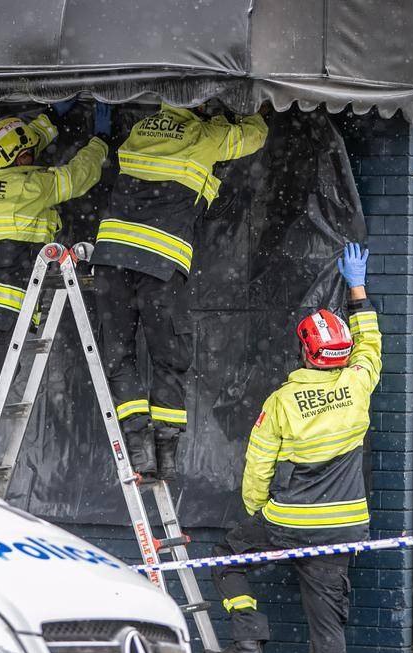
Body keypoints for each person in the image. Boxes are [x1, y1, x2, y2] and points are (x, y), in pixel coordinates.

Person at [203, 242, 381, 653]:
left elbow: (258, 466)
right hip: (343, 529)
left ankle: (248, 642)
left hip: (288, 522)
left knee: (226, 556)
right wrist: (357, 287)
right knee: (327, 625)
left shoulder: (282, 402)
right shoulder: (359, 386)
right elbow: (371, 344)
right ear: (342, 353)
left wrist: (259, 513)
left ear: (306, 352)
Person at [90, 102, 268, 483]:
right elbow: (256, 134)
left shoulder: (139, 130)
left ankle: (138, 446)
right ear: (201, 103)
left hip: (110, 257)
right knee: (169, 355)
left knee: (117, 354)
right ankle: (165, 453)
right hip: (160, 262)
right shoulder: (206, 135)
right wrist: (247, 106)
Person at [0, 100, 113, 474]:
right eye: (29, 152)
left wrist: (51, 116)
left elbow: (21, 146)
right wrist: (100, 141)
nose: (34, 155)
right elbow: (78, 176)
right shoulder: (30, 187)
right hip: (1, 315)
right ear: (19, 158)